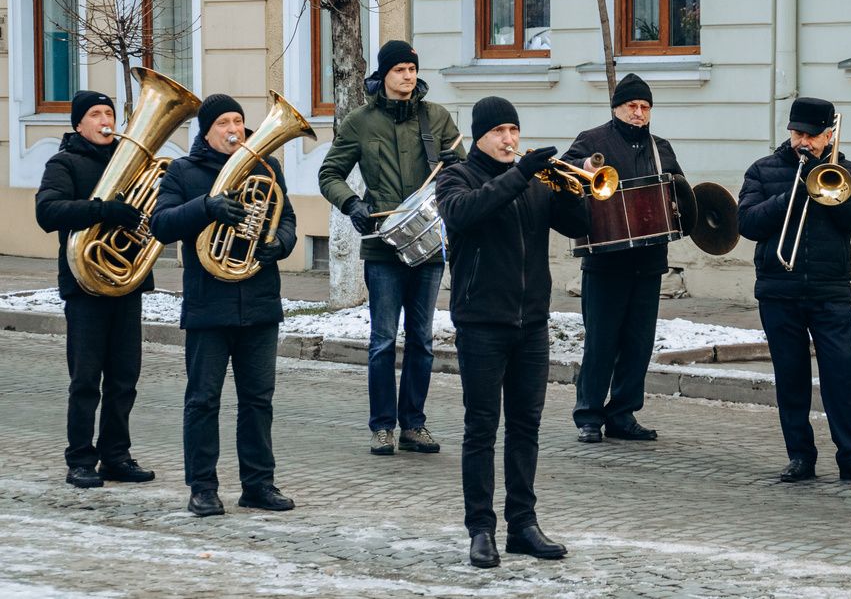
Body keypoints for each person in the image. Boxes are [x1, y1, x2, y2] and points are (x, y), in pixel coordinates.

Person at [435, 96, 589, 569]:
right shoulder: (454, 176)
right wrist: (522, 174)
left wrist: (575, 188)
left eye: (514, 130)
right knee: (481, 428)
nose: (509, 139)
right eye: (500, 131)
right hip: (481, 322)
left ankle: (523, 523)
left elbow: (579, 226)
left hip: (531, 322)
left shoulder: (536, 181)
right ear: (479, 135)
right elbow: (464, 214)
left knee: (526, 426)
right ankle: (481, 529)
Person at [150, 94, 297, 518]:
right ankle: (202, 487)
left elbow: (286, 218)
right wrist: (206, 207)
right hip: (208, 304)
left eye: (238, 121)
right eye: (224, 123)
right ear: (206, 129)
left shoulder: (265, 166)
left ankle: (258, 484)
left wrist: (280, 243)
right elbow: (161, 224)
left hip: (259, 302)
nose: (234, 129)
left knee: (258, 400)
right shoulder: (183, 171)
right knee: (203, 400)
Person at [319, 40, 464, 457]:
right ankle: (382, 426)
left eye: (412, 69)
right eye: (399, 69)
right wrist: (352, 203)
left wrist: (455, 174)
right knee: (383, 340)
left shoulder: (436, 117)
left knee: (421, 339)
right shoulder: (360, 122)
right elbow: (330, 173)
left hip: (429, 245)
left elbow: (462, 167)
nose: (408, 76)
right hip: (383, 247)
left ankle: (414, 425)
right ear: (383, 75)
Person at [737, 97, 851, 485]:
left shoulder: (846, 171)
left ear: (828, 135)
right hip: (778, 288)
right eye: (797, 133)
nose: (804, 142)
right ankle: (800, 456)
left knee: (842, 374)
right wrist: (792, 195)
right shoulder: (763, 170)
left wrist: (826, 183)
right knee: (791, 376)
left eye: (812, 136)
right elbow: (748, 223)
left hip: (829, 290)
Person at [35, 90, 157, 489]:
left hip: (125, 282)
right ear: (78, 124)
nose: (106, 120)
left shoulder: (136, 161)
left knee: (124, 377)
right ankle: (80, 459)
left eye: (109, 113)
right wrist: (102, 209)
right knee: (86, 378)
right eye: (95, 114)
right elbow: (47, 212)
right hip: (84, 285)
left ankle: (115, 456)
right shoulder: (63, 163)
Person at [561, 73, 683, 443]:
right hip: (605, 259)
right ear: (616, 107)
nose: (639, 113)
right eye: (632, 106)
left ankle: (623, 414)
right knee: (601, 339)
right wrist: (585, 168)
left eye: (645, 107)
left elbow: (677, 189)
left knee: (638, 340)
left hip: (648, 259)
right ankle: (588, 415)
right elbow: (563, 174)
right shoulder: (592, 140)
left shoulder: (660, 148)